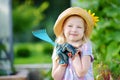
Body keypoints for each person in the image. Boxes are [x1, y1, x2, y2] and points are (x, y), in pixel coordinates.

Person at [51, 7, 99, 80]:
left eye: (79, 27)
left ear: (84, 30)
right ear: (63, 28)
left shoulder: (85, 46)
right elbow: (56, 77)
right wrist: (63, 63)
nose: (74, 30)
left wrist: (74, 54)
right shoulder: (59, 46)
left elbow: (81, 73)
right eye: (70, 26)